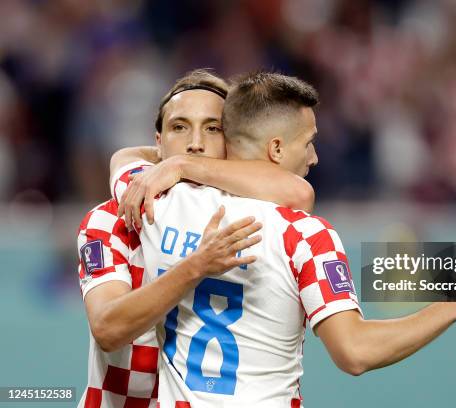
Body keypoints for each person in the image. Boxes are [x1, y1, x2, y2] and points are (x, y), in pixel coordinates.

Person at [131, 71, 456, 407]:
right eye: (308, 142)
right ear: (276, 149)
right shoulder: (305, 235)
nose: (315, 157)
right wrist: (453, 306)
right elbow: (355, 352)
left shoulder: (160, 205)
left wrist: (176, 163)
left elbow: (125, 160)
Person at [77, 69, 314, 408]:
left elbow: (299, 192)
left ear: (231, 143)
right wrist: (195, 266)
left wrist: (181, 165)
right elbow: (108, 328)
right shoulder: (110, 219)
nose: (195, 143)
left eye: (213, 128)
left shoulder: (249, 220)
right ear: (158, 142)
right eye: (179, 127)